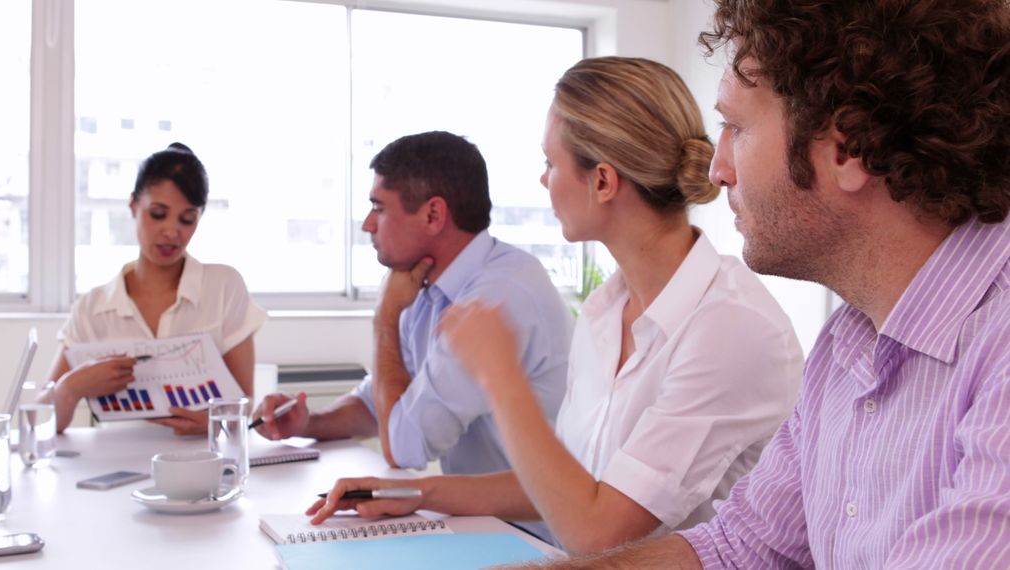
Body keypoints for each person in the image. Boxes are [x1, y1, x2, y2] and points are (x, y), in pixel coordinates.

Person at [522, 1, 1010, 568]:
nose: (716, 168)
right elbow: (739, 546)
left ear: (850, 145)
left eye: (737, 127)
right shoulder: (848, 341)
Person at [306, 57, 804, 555]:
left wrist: (499, 375)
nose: (543, 181)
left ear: (603, 182)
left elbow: (597, 532)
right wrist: (413, 493)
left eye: (550, 163)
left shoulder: (729, 329)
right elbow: (566, 483)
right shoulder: (604, 312)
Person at [253, 132, 571, 480]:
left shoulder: (498, 295)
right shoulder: (427, 286)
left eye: (378, 207)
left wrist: (385, 318)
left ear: (433, 215)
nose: (367, 224)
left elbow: (404, 447)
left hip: (530, 530)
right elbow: (379, 406)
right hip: (480, 520)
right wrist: (307, 422)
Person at [38, 143, 267, 436]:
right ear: (133, 206)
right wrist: (69, 389)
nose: (172, 231)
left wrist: (215, 422)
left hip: (201, 464)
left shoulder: (224, 286)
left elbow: (244, 404)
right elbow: (39, 424)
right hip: (114, 466)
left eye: (187, 219)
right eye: (158, 214)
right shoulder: (93, 308)